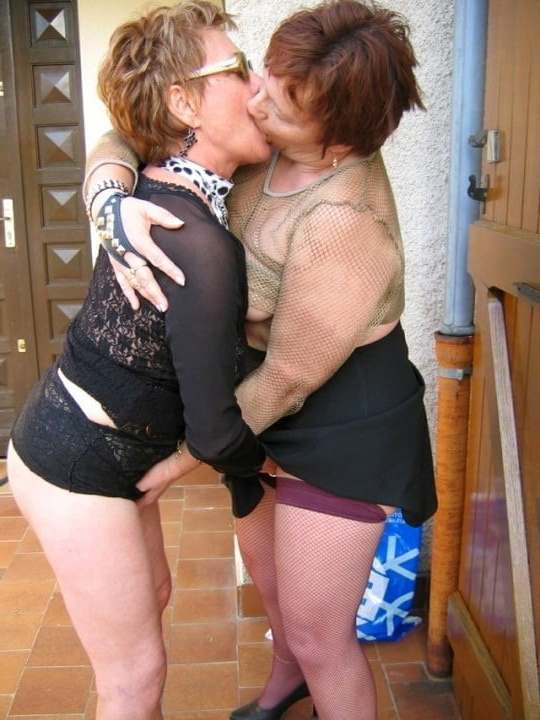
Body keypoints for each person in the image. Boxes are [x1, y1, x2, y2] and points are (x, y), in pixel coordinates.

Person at [84, 2, 437, 719]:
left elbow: (289, 376)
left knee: (319, 634)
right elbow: (127, 130)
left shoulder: (345, 222)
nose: (257, 99)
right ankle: (284, 687)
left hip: (340, 421)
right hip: (254, 408)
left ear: (337, 141)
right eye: (263, 75)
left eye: (283, 101)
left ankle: (313, 676)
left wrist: (177, 463)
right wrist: (108, 200)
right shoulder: (269, 141)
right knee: (278, 595)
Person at [6, 3, 273, 719]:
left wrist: (105, 189)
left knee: (154, 596)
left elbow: (118, 138)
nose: (258, 85)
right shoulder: (194, 237)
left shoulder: (167, 189)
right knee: (133, 678)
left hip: (114, 445)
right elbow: (216, 432)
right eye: (240, 69)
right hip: (75, 457)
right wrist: (276, 464)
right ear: (184, 104)